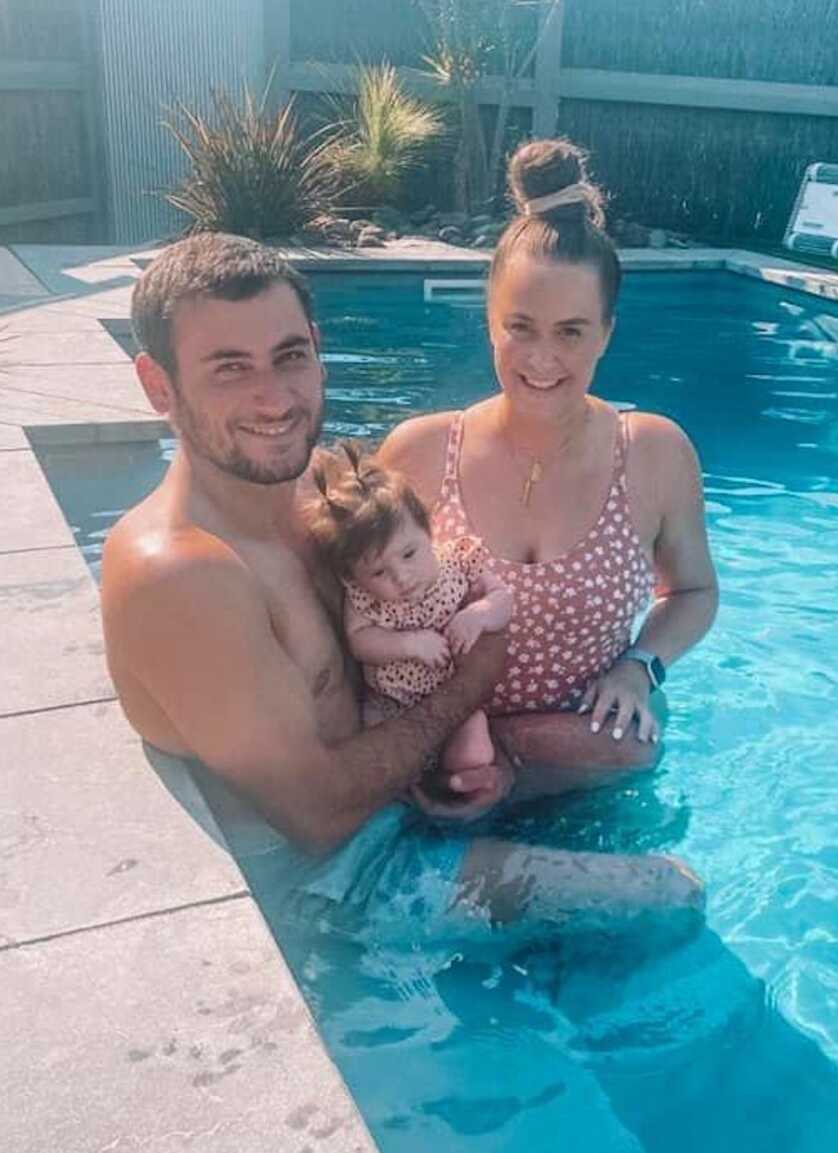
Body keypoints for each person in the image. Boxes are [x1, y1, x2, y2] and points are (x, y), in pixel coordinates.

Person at [101, 230, 702, 941]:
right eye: (229, 368)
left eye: (289, 356)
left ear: (318, 350)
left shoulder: (321, 499)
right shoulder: (180, 571)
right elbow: (318, 816)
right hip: (346, 878)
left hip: (407, 797)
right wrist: (471, 683)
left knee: (628, 755)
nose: (272, 398)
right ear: (157, 385)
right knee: (674, 896)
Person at [379, 138, 719, 803]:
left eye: (570, 331)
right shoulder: (419, 453)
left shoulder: (654, 453)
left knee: (635, 756)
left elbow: (694, 592)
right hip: (445, 757)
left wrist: (638, 668)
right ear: (489, 323)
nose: (541, 358)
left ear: (607, 332)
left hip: (581, 756)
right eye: (521, 327)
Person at [305, 442, 513, 779]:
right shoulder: (362, 597)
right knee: (375, 757)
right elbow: (360, 641)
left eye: (408, 554)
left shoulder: (458, 560)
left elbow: (504, 598)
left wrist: (479, 614)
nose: (401, 577)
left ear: (427, 530)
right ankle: (408, 787)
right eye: (378, 572)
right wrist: (409, 644)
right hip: (389, 706)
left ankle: (457, 779)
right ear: (351, 576)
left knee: (475, 751)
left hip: (457, 701)